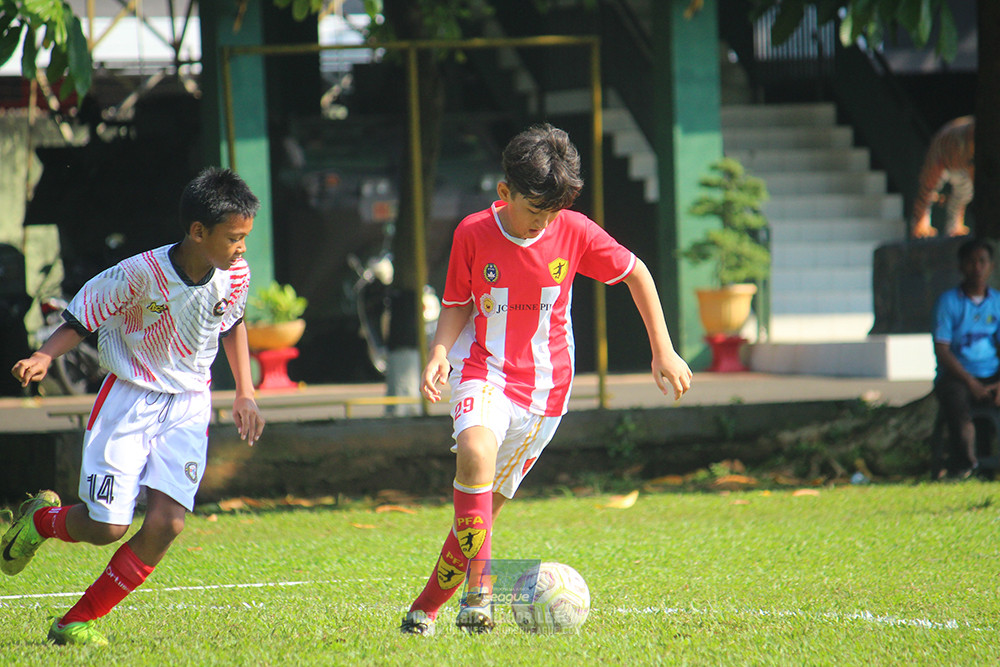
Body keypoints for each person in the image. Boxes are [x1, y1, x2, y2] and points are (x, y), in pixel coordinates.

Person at [399, 124, 692, 636]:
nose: (542, 224)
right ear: (505, 193)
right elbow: (457, 302)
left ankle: (423, 610)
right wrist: (439, 353)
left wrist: (663, 349)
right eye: (534, 212)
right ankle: (479, 595)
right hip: (483, 372)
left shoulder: (574, 230)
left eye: (551, 214)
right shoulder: (471, 233)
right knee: (474, 452)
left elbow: (636, 273)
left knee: (478, 517)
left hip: (544, 394)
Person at [4, 167, 266, 646]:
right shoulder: (138, 275)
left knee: (167, 524)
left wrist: (245, 391)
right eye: (235, 238)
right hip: (130, 398)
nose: (242, 248)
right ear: (198, 232)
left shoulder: (235, 274)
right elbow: (82, 318)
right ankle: (40, 521)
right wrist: (44, 355)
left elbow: (233, 323)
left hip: (189, 404)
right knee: (107, 526)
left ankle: (75, 622)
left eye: (246, 237)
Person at [932, 237, 1000, 479]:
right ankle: (965, 465)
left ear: (991, 266)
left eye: (982, 261)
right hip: (957, 375)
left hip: (991, 373)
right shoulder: (949, 302)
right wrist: (972, 383)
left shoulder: (997, 303)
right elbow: (942, 349)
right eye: (971, 262)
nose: (977, 268)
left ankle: (992, 467)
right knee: (957, 405)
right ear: (961, 266)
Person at [910, 116, 974, 239]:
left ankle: (955, 226)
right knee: (928, 187)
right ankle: (920, 220)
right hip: (943, 154)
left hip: (963, 164)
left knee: (964, 193)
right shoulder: (973, 133)